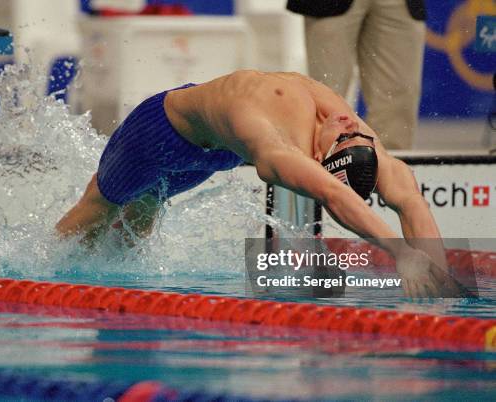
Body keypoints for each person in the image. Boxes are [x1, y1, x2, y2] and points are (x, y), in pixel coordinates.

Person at [56, 70, 459, 297]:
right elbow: (333, 194)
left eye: (349, 135)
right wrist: (400, 253)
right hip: (160, 131)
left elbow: (408, 197)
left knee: (142, 214)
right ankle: (50, 268)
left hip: (217, 149)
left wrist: (440, 281)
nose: (349, 122)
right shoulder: (279, 151)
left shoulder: (348, 139)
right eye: (351, 131)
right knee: (98, 209)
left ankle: (103, 286)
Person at [286, 0, 426, 149]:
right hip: (328, 6)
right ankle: (326, 165)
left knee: (398, 96)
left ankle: (393, 167)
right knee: (326, 94)